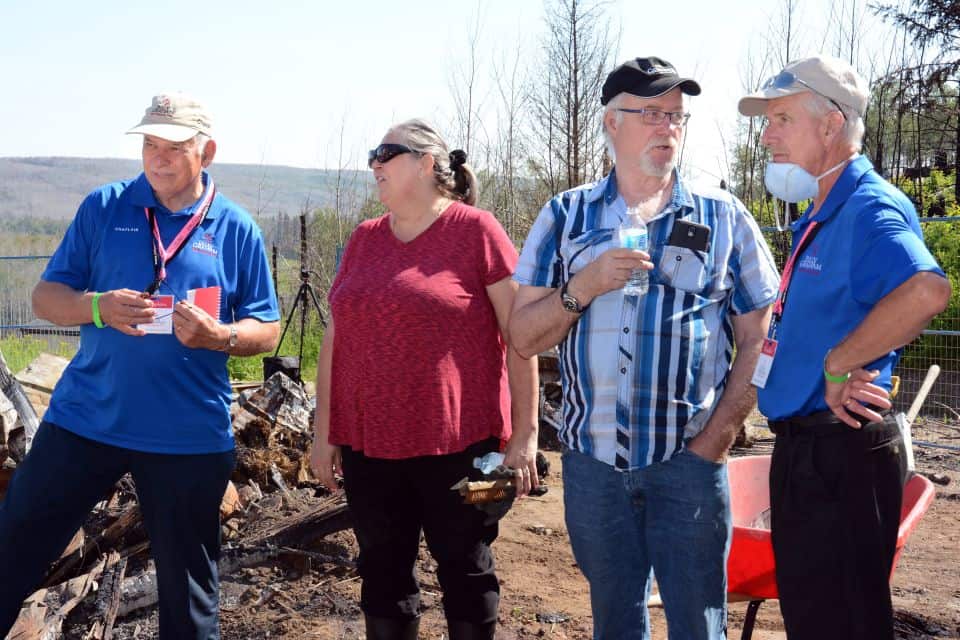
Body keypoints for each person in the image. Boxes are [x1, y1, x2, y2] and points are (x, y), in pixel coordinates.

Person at [510, 56, 780, 640]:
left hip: (689, 463)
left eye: (677, 117)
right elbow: (522, 334)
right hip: (593, 465)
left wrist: (718, 438)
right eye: (652, 114)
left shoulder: (724, 216)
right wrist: (582, 286)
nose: (668, 128)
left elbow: (766, 334)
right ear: (612, 123)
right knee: (615, 621)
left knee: (698, 624)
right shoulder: (566, 215)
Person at [0, 92, 281, 639]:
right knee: (11, 551)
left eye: (174, 146)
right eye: (150, 143)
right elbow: (46, 298)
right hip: (85, 421)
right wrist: (97, 306)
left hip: (187, 437)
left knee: (189, 597)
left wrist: (219, 336)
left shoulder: (236, 228)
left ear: (208, 152)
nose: (157, 157)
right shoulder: (104, 208)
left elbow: (266, 328)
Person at [739, 55, 951, 640]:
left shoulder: (867, 207)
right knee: (816, 621)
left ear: (831, 125)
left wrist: (840, 362)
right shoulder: (823, 210)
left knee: (843, 625)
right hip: (809, 453)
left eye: (781, 118)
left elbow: (927, 289)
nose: (767, 134)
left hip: (842, 451)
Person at [309, 119, 539, 640]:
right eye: (374, 154)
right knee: (382, 576)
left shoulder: (476, 230)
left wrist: (524, 436)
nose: (374, 165)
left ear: (426, 163)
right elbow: (334, 339)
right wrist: (325, 431)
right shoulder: (365, 238)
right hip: (369, 447)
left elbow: (520, 335)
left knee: (467, 569)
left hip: (463, 445)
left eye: (385, 153)